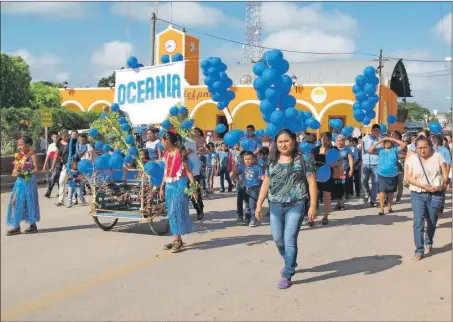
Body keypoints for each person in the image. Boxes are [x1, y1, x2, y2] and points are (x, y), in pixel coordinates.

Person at [255, 129, 318, 289]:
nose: (283, 144)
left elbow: (312, 182)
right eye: (280, 141)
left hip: (296, 204)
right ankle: (289, 260)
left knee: (289, 239)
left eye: (286, 141)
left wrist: (312, 206)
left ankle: (287, 273)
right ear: (276, 143)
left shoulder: (302, 159)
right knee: (278, 239)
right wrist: (258, 204)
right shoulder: (273, 159)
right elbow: (266, 182)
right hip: (275, 204)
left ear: (294, 141)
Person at [405, 136, 448, 260]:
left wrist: (442, 185)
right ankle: (419, 249)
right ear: (416, 148)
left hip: (435, 194)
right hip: (417, 193)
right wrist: (424, 186)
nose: (422, 150)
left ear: (430, 146)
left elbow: (445, 174)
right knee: (418, 222)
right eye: (419, 148)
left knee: (432, 220)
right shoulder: (412, 159)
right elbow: (409, 177)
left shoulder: (438, 157)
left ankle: (428, 240)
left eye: (425, 147)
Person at [159, 130, 198, 253]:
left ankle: (178, 240)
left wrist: (193, 190)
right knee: (171, 213)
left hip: (180, 185)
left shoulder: (181, 153)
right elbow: (166, 171)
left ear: (167, 141)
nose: (161, 143)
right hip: (169, 186)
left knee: (177, 211)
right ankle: (177, 239)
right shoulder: (166, 154)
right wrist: (161, 186)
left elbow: (189, 173)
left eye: (162, 141)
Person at [6, 136, 40, 235]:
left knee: (28, 202)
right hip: (19, 181)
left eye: (21, 145)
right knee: (14, 201)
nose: (19, 147)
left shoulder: (31, 154)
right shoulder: (19, 155)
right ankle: (16, 226)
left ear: (28, 144)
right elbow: (17, 167)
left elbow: (36, 169)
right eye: (18, 145)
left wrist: (27, 173)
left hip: (28, 180)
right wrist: (15, 171)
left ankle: (32, 225)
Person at [369, 136, 407, 216]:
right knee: (382, 191)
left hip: (393, 174)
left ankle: (389, 206)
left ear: (391, 143)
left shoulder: (394, 150)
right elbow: (370, 150)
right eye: (385, 142)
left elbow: (403, 145)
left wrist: (392, 139)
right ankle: (382, 208)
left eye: (388, 141)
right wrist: (379, 142)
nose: (386, 143)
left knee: (391, 191)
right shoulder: (380, 150)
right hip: (381, 174)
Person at [311, 132, 336, 225]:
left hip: (328, 177)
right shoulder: (315, 150)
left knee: (326, 198)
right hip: (316, 177)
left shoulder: (333, 150)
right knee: (313, 198)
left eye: (327, 139)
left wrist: (334, 164)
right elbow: (311, 161)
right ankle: (311, 218)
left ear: (330, 141)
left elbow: (338, 163)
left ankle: (325, 217)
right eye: (323, 139)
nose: (324, 141)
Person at [235, 151, 263, 227]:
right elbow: (235, 174)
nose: (247, 161)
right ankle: (248, 218)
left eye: (249, 159)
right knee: (247, 204)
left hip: (254, 189)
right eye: (245, 159)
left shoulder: (257, 167)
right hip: (245, 188)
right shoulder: (243, 167)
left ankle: (253, 219)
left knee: (252, 204)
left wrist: (263, 181)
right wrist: (238, 180)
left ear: (253, 159)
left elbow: (261, 177)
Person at [361, 124, 382, 207]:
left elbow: (379, 151)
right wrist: (371, 150)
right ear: (372, 131)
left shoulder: (380, 140)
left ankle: (373, 200)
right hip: (365, 162)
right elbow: (365, 149)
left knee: (375, 182)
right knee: (364, 180)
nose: (377, 132)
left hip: (376, 164)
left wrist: (372, 150)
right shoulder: (365, 138)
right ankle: (367, 192)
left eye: (378, 131)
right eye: (375, 130)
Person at [185, 135, 204, 220]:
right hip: (182, 173)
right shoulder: (178, 142)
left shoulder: (191, 141)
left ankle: (199, 210)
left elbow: (187, 152)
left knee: (195, 194)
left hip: (193, 172)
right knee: (186, 195)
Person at [231, 151, 250, 224]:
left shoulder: (250, 164)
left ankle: (248, 216)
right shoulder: (238, 164)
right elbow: (233, 175)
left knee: (247, 202)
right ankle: (240, 215)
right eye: (243, 157)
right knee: (239, 201)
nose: (244, 159)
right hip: (240, 187)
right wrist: (238, 181)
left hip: (249, 187)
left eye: (246, 157)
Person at [335, 135, 353, 209]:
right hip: (335, 170)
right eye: (338, 140)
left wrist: (351, 169)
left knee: (342, 186)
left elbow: (350, 159)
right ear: (336, 141)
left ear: (344, 141)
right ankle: (338, 203)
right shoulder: (334, 149)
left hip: (344, 170)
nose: (339, 142)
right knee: (336, 186)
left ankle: (341, 204)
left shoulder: (347, 149)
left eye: (341, 140)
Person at [43, 131, 60, 198]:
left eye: (57, 137)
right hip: (52, 162)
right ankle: (60, 192)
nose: (55, 138)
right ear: (52, 138)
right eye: (54, 137)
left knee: (53, 177)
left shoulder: (60, 145)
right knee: (56, 178)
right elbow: (48, 155)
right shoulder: (50, 145)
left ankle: (48, 192)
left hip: (59, 163)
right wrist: (45, 164)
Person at [391, 131, 406, 203]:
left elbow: (406, 154)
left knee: (400, 183)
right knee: (391, 183)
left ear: (397, 137)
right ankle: (389, 198)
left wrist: (396, 156)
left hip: (400, 166)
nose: (391, 136)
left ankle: (398, 198)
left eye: (392, 135)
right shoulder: (390, 144)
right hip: (391, 167)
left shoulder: (402, 144)